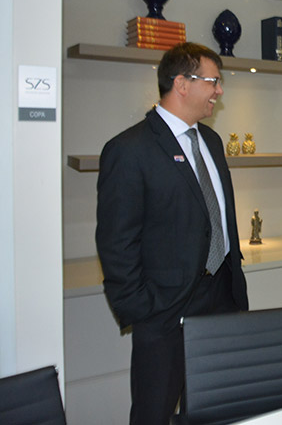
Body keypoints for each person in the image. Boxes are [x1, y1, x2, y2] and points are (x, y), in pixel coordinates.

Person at [96, 42, 249, 425]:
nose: (219, 91)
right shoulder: (129, 150)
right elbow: (116, 244)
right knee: (154, 413)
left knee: (216, 408)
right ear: (182, 83)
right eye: (213, 81)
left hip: (222, 300)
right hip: (165, 312)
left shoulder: (211, 142)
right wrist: (144, 309)